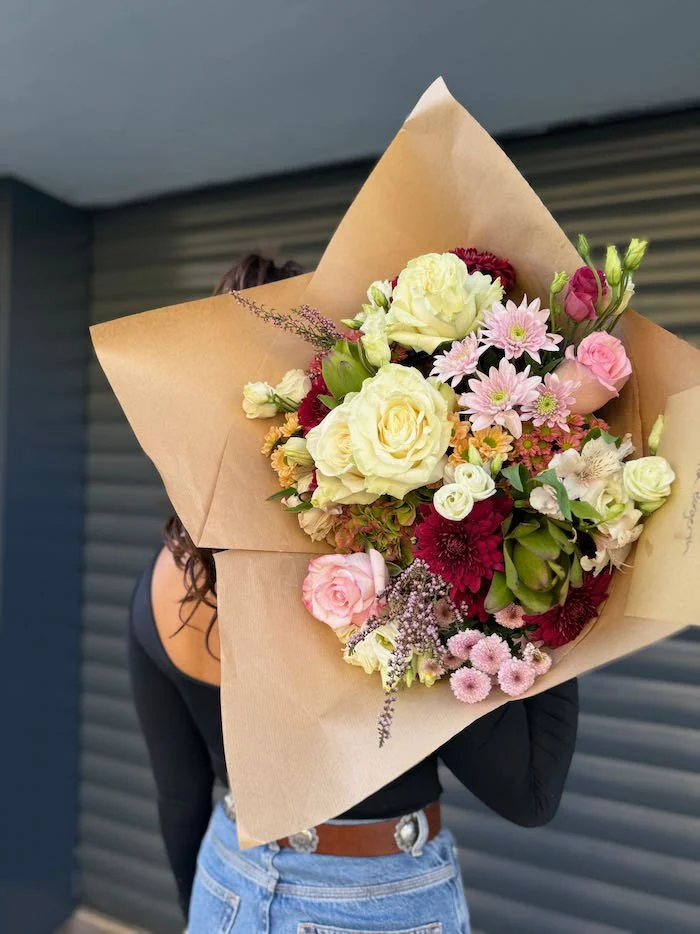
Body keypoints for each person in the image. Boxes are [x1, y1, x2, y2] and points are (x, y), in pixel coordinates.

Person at [128, 252, 579, 934]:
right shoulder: (374, 586)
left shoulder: (165, 575)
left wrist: (207, 911)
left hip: (226, 883)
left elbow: (178, 796)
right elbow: (528, 792)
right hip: (373, 902)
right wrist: (560, 566)